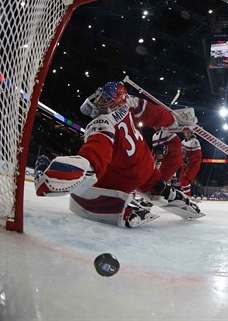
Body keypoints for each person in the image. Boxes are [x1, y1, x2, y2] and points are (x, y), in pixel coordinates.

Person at [34, 81, 203, 228]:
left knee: (87, 186)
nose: (99, 102)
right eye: (100, 97)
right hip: (147, 169)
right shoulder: (130, 102)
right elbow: (155, 114)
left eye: (105, 99)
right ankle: (168, 193)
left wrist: (86, 162)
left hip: (123, 175)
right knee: (159, 186)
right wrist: (175, 120)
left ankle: (125, 208)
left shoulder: (102, 122)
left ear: (116, 101)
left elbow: (98, 148)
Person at [179, 127, 202, 197]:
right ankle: (184, 196)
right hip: (185, 165)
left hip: (193, 165)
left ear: (191, 132)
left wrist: (187, 160)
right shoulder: (183, 142)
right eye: (185, 132)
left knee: (185, 180)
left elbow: (198, 156)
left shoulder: (195, 141)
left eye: (187, 132)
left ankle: (187, 197)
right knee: (181, 182)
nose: (186, 134)